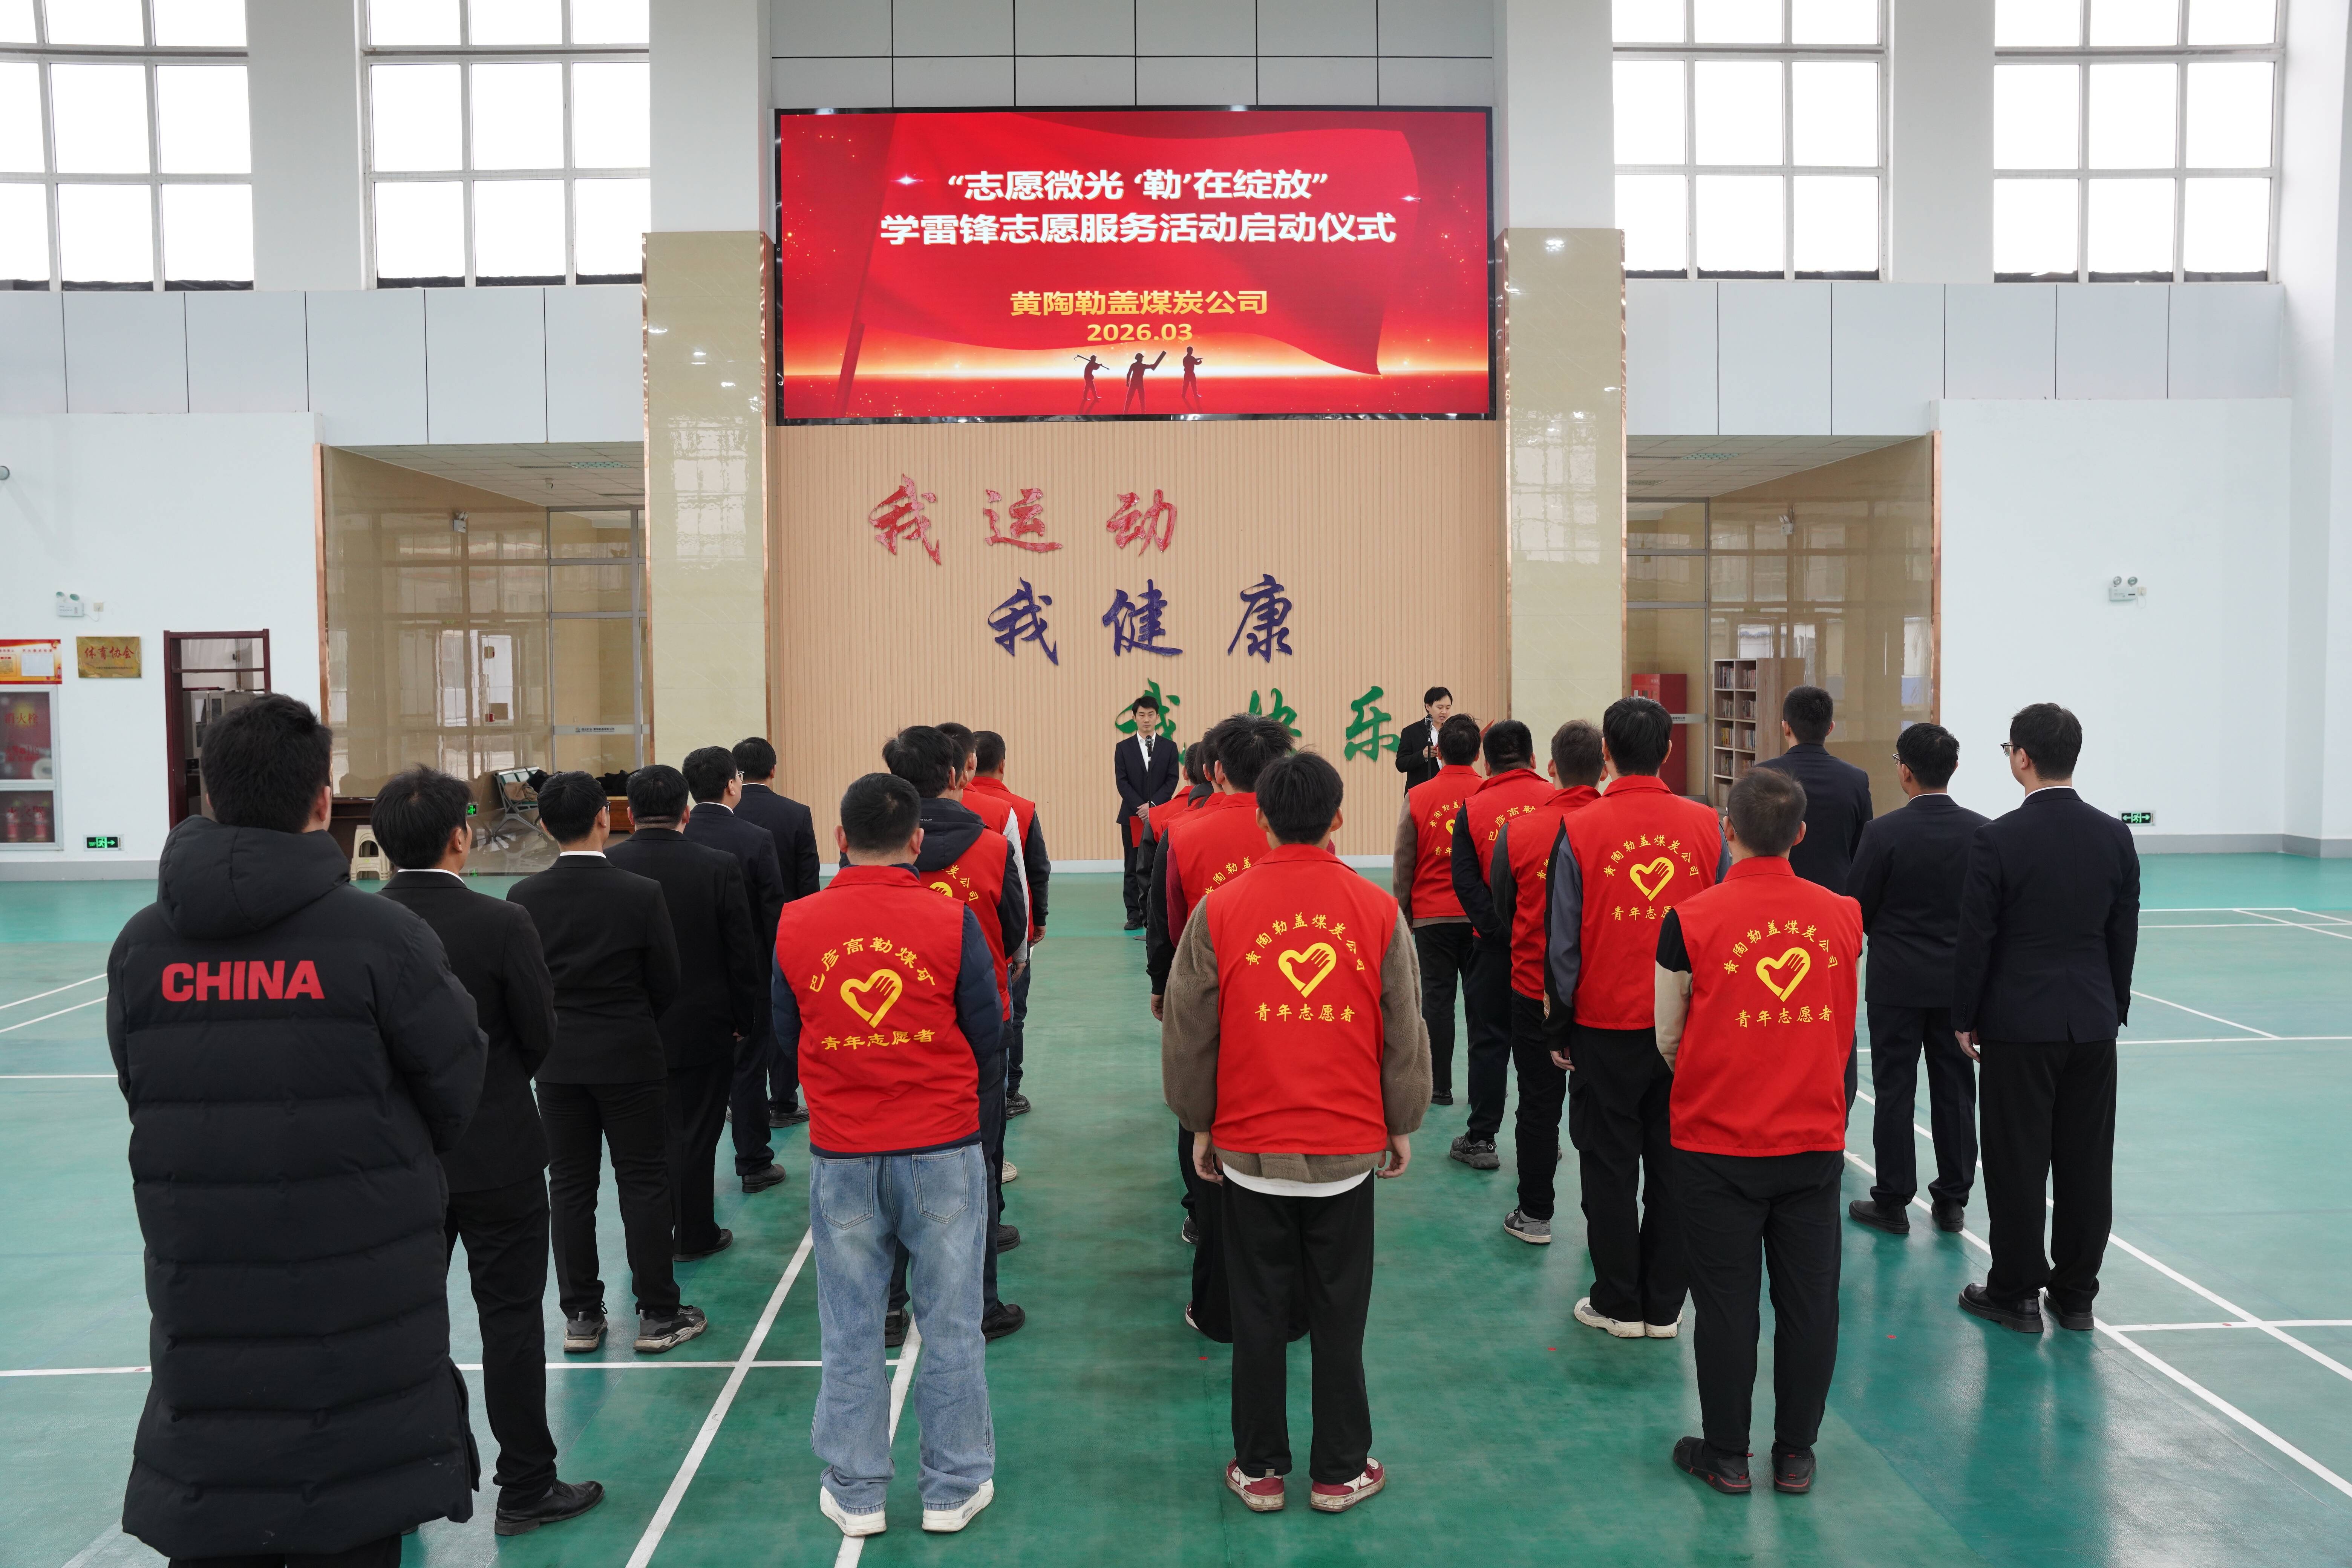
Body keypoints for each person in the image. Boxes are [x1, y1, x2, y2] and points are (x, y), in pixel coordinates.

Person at [108, 696, 484, 1563]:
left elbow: (143, 1087)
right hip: (360, 1303)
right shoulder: (385, 937)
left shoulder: (142, 948)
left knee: (220, 1508)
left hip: (207, 1301)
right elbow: (455, 1089)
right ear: (323, 800)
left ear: (211, 796)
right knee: (352, 1513)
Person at [1162, 750, 1430, 1516]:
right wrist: (1401, 1121)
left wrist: (1200, 1122)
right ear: (1338, 818)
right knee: (1340, 1315)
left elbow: (1190, 1030)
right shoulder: (1377, 910)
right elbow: (1403, 1029)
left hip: (1249, 1148)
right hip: (1347, 1149)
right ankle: (1340, 1470)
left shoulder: (1221, 909)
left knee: (1257, 1313)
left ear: (1263, 820)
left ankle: (1260, 1469)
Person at [374, 766, 605, 1539]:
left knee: (402, 1321)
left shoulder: (360, 927)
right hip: (498, 1149)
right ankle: (526, 1485)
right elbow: (538, 1033)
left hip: (400, 1162)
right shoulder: (502, 922)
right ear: (460, 837)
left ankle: (401, 1485)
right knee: (510, 1320)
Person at [777, 772, 1004, 1539]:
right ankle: (953, 1486)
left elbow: (785, 1032)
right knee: (952, 1322)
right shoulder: (950, 919)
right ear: (917, 841)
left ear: (841, 840)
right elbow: (987, 1032)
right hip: (941, 1147)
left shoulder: (796, 921)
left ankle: (857, 1491)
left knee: (850, 1324)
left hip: (844, 1151)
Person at [1656, 767, 1862, 1498]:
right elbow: (1842, 1018)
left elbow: (1669, 1036)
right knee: (1810, 1302)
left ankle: (1727, 1454)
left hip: (1717, 1144)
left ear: (1727, 828)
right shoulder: (1844, 916)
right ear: (1800, 834)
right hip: (1812, 1139)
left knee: (1725, 1303)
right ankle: (1796, 1453)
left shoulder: (1689, 920)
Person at [1952, 703, 2139, 1335]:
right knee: (2087, 1162)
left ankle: (2015, 1292)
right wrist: (2112, 1006)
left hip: (2018, 1025)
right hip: (2092, 1022)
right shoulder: (2115, 836)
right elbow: (2122, 933)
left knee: (2017, 1162)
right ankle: (2077, 1293)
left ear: (2023, 758)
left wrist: (1965, 1015)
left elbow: (1977, 938)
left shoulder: (1997, 839)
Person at [1545, 696, 1725, 1338]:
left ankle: (1618, 1302)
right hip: (1687, 1032)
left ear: (1606, 754)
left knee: (1609, 1167)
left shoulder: (1580, 829)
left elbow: (1563, 942)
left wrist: (1560, 1025)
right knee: (1676, 1167)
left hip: (1604, 1026)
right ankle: (1665, 1306)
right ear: (1669, 751)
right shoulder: (1708, 827)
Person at [508, 772, 706, 1356]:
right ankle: (658, 1313)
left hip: (558, 1062)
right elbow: (666, 980)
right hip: (630, 1055)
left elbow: (525, 987)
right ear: (605, 817)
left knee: (570, 1185)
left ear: (545, 825)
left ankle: (581, 1315)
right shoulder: (640, 893)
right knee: (643, 1180)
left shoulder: (524, 897)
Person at [1147, 713, 1295, 1334]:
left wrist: (1163, 988)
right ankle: (1284, 1293)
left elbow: (1165, 923)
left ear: (1213, 771)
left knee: (1202, 1120)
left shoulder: (1182, 835)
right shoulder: (1305, 838)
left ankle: (1213, 1277)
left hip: (1210, 1007)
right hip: (1288, 1011)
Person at [882, 725, 1027, 1341]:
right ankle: (981, 1305)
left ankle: (889, 1306)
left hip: (895, 1024)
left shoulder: (877, 850)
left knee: (888, 1161)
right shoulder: (992, 847)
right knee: (979, 1162)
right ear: (954, 774)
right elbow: (1015, 933)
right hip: (977, 1025)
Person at [607, 765, 764, 1262]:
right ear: (687, 812)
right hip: (704, 1024)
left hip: (629, 1027)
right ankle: (694, 1232)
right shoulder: (717, 866)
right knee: (697, 1133)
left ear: (629, 814)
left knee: (641, 1142)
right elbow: (741, 952)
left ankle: (651, 1237)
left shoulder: (608, 866)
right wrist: (744, 1018)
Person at [1845, 723, 1988, 1237]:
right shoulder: (1982, 832)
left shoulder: (1883, 833)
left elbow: (1857, 907)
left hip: (1896, 984)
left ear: (1904, 772)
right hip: (1958, 987)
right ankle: (1952, 1201)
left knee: (1895, 1089)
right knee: (1956, 1091)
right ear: (1954, 768)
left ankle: (1893, 1199)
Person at [1485, 720, 1606, 1245]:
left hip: (1533, 988)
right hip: (1606, 996)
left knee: (1537, 1103)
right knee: (1605, 1111)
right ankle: (1607, 1226)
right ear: (1604, 768)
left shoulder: (1519, 831)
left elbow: (1504, 907)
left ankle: (1535, 1214)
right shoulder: (1614, 832)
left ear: (1552, 767)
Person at [678, 745, 792, 1195]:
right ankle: (753, 1161)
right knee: (748, 1069)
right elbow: (773, 915)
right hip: (749, 975)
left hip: (686, 979)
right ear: (732, 784)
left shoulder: (680, 838)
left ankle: (691, 1178)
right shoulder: (754, 839)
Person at [1445, 719, 1552, 1170]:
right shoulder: (1556, 800)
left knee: (1489, 1039)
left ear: (1486, 763)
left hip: (1492, 947)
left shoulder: (1473, 808)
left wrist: (1497, 929)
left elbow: (1465, 880)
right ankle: (1542, 1137)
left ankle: (1482, 1138)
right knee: (1543, 1043)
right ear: (1533, 757)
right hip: (1547, 948)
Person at [1391, 714, 1483, 1106]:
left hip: (1432, 916)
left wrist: (1405, 913)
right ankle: (1482, 1088)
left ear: (1439, 751)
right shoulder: (1488, 795)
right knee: (1482, 1005)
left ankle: (1440, 1086)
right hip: (1481, 919)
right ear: (1478, 753)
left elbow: (1404, 860)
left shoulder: (1419, 796)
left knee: (1438, 1001)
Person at [733, 735, 824, 1128]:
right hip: (786, 931)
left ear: (736, 775)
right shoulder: (797, 814)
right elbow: (808, 883)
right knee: (784, 1011)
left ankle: (741, 1098)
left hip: (734, 934)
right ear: (773, 769)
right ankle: (784, 1101)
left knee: (740, 1015)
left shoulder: (725, 816)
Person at [966, 729, 1050, 1117]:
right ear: (1002, 764)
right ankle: (1010, 1089)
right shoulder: (1019, 809)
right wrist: (1037, 922)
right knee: (1012, 1011)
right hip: (1006, 932)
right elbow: (1035, 870)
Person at [1755, 685, 1874, 894]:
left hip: (1774, 893)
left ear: (1786, 727)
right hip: (1835, 896)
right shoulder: (1857, 779)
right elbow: (1862, 851)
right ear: (1830, 728)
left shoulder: (1762, 776)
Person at [1115, 693, 1180, 930]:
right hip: (1133, 816)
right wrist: (1141, 808)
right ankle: (1134, 914)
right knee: (1133, 865)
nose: (1146, 719)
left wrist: (1152, 806)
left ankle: (1154, 913)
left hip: (1161, 815)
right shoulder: (1123, 748)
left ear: (1158, 718)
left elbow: (1172, 780)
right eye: (1141, 715)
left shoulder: (1169, 748)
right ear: (1134, 718)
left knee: (1158, 863)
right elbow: (1122, 782)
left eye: (1151, 715)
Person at [1395, 686, 1456, 792]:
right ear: (1428, 706)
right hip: (1420, 792)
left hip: (1447, 791)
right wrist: (1422, 755)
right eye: (1440, 707)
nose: (1444, 712)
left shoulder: (1453, 731)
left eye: (1448, 708)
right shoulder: (1411, 732)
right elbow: (1401, 764)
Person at [1122, 348, 1166, 412]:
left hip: (1135, 384)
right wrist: (1127, 382)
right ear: (1140, 359)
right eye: (1142, 358)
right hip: (1138, 384)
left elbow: (1129, 374)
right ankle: (1141, 412)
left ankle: (1127, 412)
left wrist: (1127, 382)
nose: (1142, 359)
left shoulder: (1134, 365)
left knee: (1132, 398)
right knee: (1140, 399)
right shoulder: (1142, 366)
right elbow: (1153, 366)